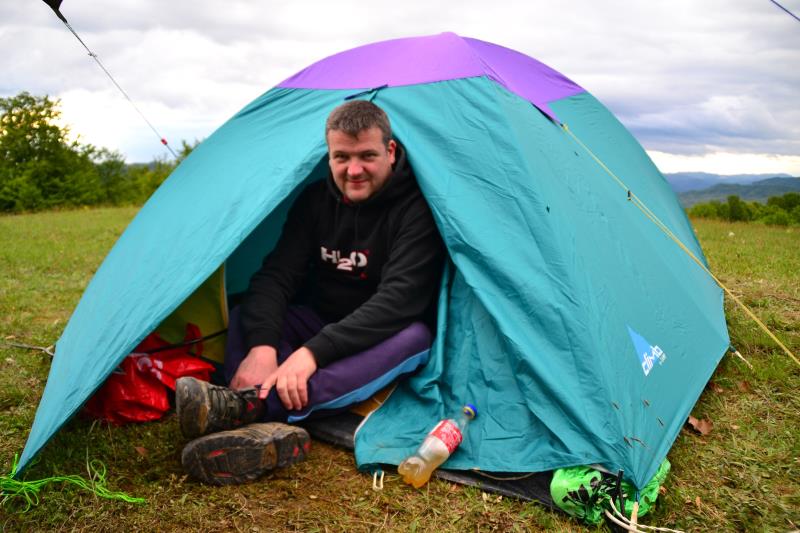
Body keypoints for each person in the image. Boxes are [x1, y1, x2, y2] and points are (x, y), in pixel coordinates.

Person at [176, 100, 446, 485]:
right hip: (320, 318)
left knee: (415, 337)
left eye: (367, 156)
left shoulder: (416, 208)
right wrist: (263, 347)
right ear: (329, 155)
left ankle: (247, 408)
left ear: (390, 151)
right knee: (247, 314)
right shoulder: (315, 200)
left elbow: (399, 301)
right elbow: (276, 276)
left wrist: (311, 354)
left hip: (383, 332)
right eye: (342, 157)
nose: (354, 170)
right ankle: (259, 417)